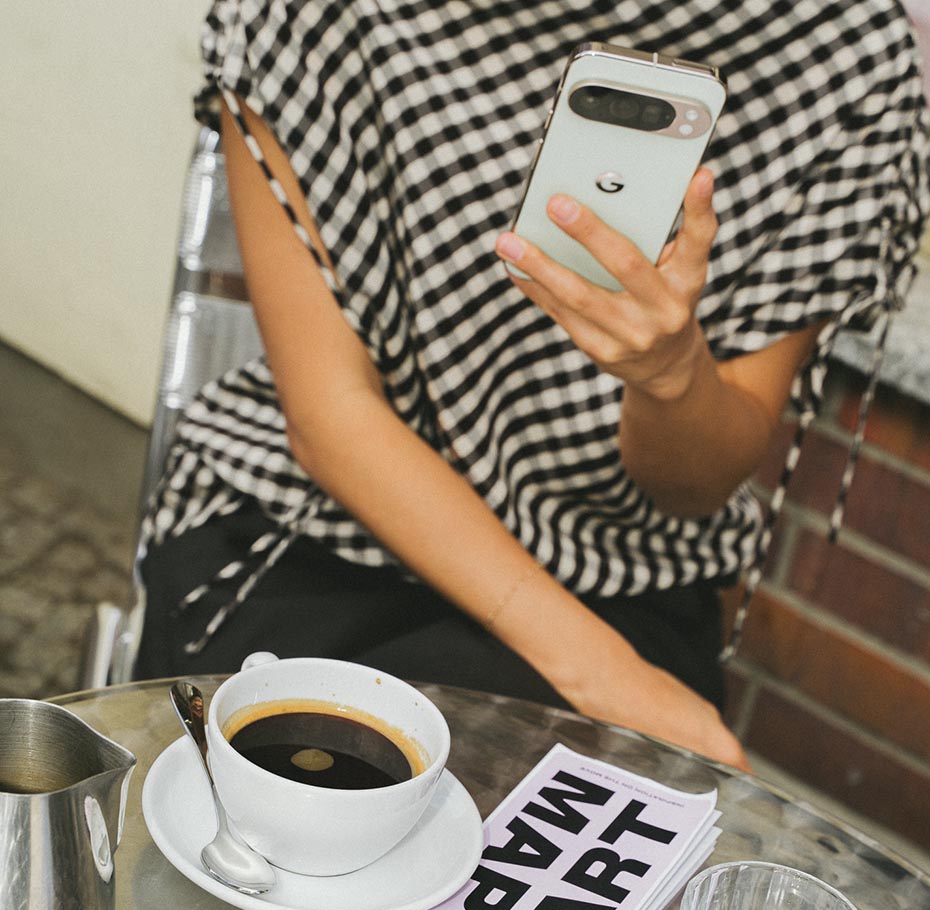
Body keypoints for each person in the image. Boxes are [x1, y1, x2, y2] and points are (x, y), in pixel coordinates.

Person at [136, 0, 929, 771]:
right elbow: (332, 414)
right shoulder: (317, 13)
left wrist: (670, 378)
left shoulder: (844, 53)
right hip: (321, 530)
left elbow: (693, 488)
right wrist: (605, 676)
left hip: (623, 569)